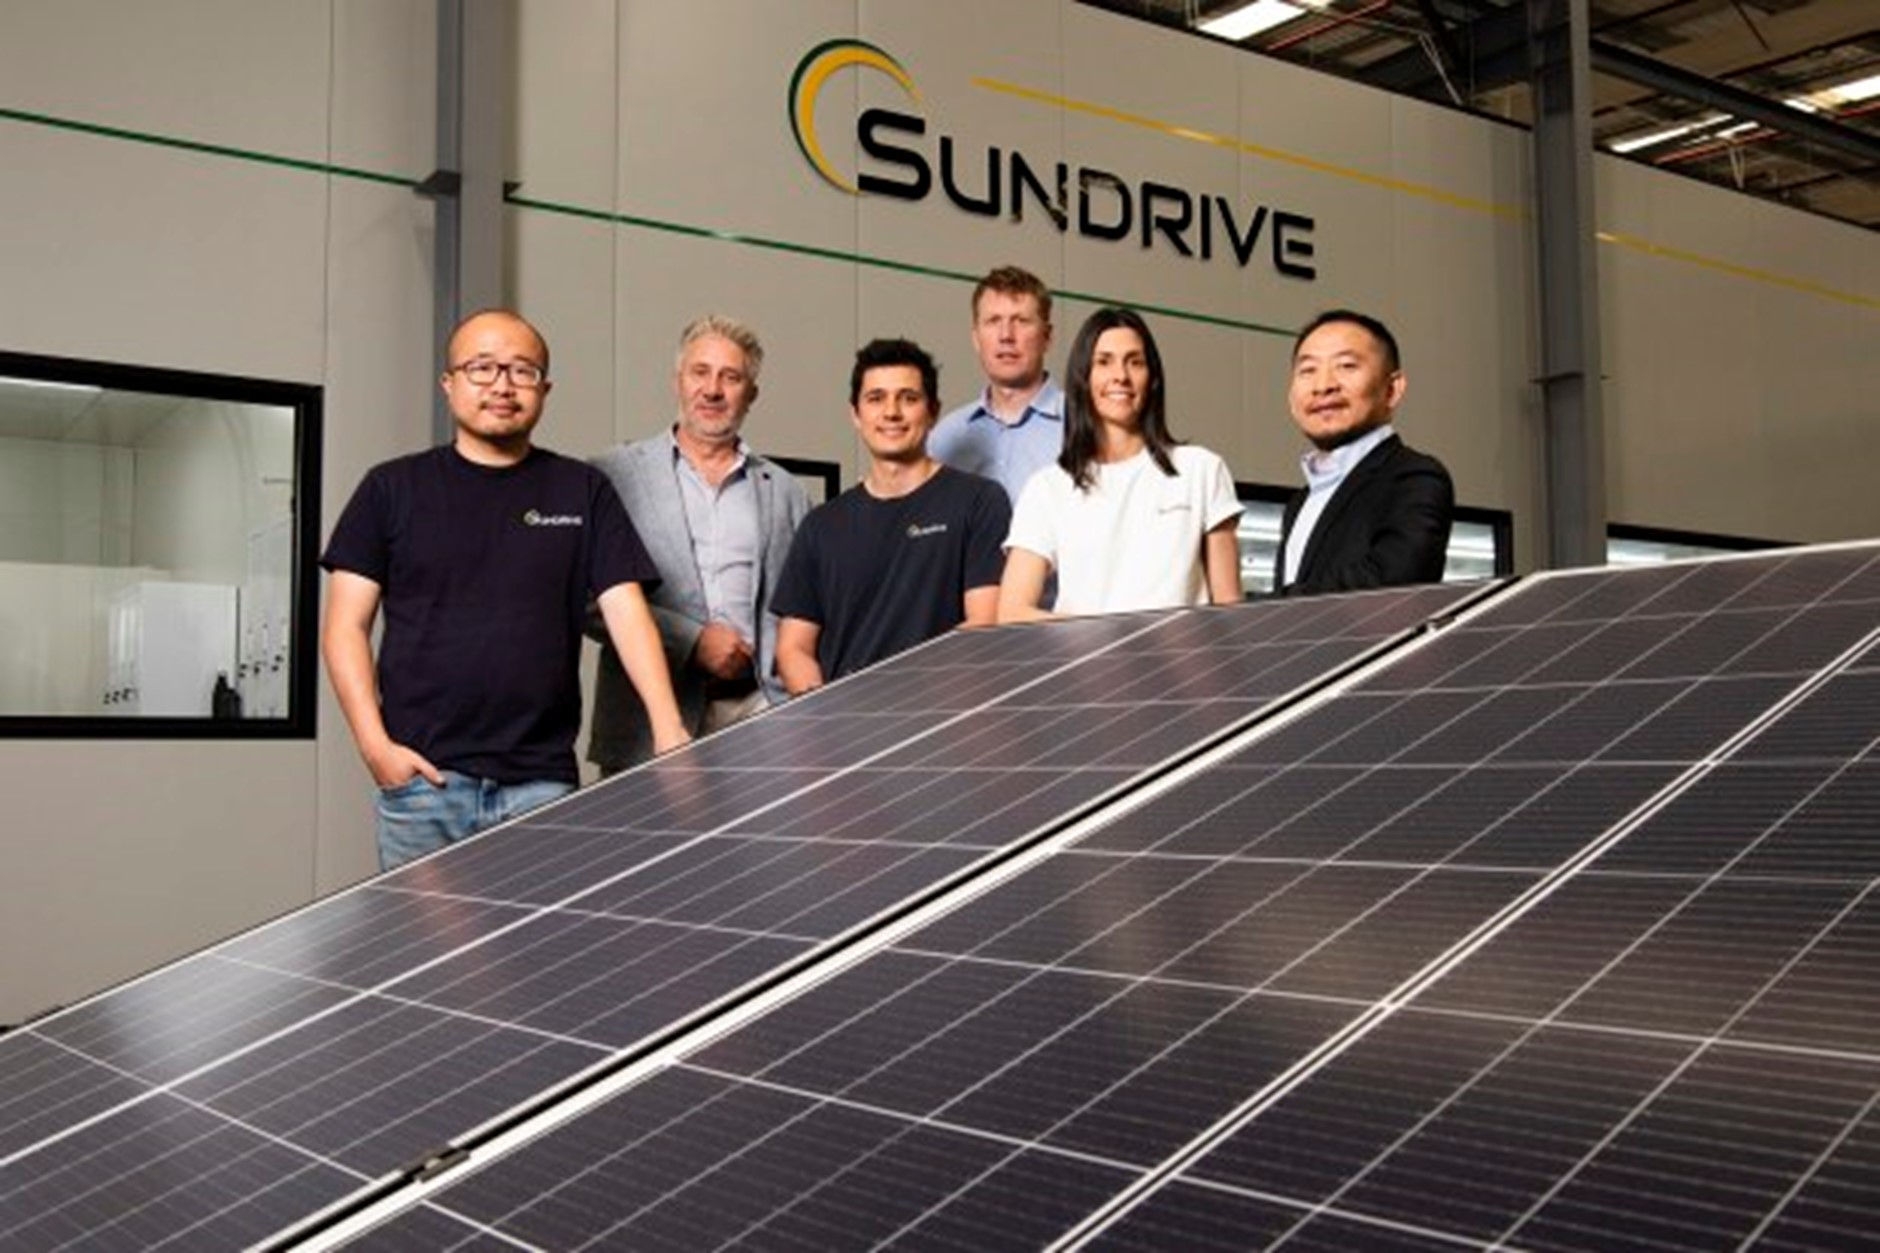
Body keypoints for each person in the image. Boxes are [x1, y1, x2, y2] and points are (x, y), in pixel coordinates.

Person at [321, 309, 689, 871]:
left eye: (521, 371)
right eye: (482, 368)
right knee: (423, 958)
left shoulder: (582, 490)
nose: (502, 385)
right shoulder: (390, 489)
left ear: (544, 389)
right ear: (449, 384)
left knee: (541, 957)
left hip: (541, 784)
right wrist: (376, 749)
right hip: (424, 783)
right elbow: (345, 627)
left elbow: (626, 611)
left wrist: (669, 730)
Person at [586, 315, 809, 774]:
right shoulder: (612, 476)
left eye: (731, 377)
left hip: (759, 719)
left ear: (751, 394)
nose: (713, 390)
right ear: (678, 382)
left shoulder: (785, 492)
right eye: (700, 372)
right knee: (642, 849)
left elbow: (803, 607)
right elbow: (584, 598)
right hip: (646, 723)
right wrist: (691, 641)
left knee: (761, 848)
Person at [771, 338, 1010, 694]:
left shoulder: (978, 502)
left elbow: (985, 623)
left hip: (943, 722)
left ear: (933, 411)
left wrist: (906, 704)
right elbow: (794, 648)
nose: (891, 412)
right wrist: (823, 717)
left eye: (908, 398)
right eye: (876, 398)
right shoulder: (821, 526)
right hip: (844, 733)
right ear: (855, 414)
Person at [998, 307, 1242, 621]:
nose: (1120, 376)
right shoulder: (1048, 488)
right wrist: (1110, 640)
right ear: (1083, 378)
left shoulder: (1201, 470)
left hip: (1183, 668)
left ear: (1152, 378)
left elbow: (1230, 608)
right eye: (1103, 362)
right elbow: (1012, 611)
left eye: (1135, 362)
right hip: (1086, 667)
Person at [1275, 309, 1454, 595]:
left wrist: (1268, 607)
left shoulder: (1414, 478)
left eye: (1346, 366)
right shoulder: (1300, 501)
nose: (1323, 386)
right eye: (1307, 370)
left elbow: (1393, 583)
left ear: (1392, 389)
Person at [929, 265, 1063, 504]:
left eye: (1021, 321)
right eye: (993, 321)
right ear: (976, 338)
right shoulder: (946, 437)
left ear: (1047, 337)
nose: (1006, 336)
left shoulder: (1085, 427)